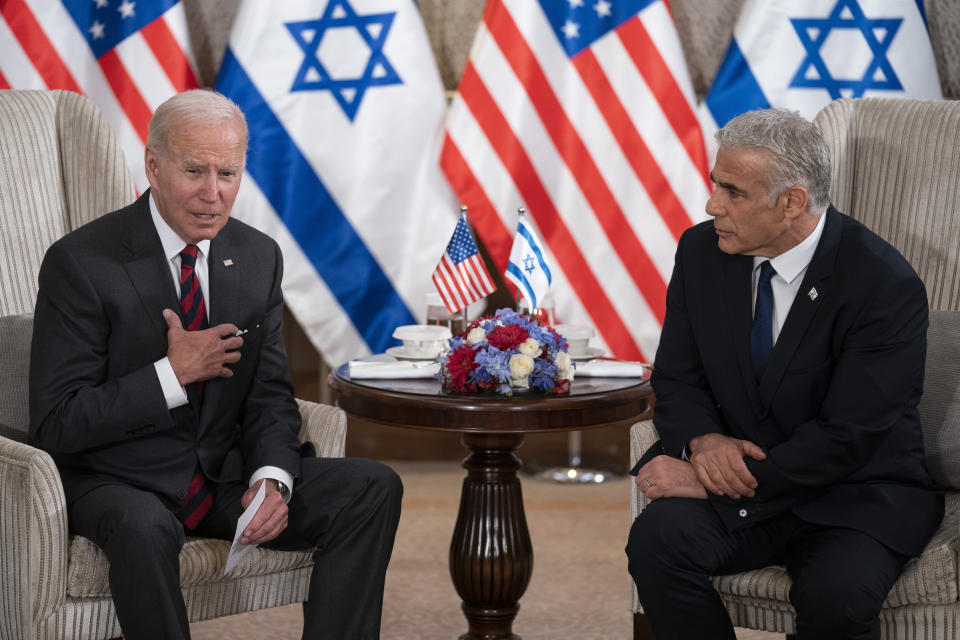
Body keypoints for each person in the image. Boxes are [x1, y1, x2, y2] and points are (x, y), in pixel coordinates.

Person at [29, 89, 402, 640]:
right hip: (118, 478)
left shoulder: (257, 256)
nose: (213, 194)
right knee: (142, 525)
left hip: (220, 475)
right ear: (154, 167)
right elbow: (58, 422)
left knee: (373, 487)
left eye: (228, 173)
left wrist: (273, 477)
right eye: (194, 171)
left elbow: (270, 396)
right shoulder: (81, 262)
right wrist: (170, 375)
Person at [626, 108, 943, 639]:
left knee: (836, 596)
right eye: (714, 184)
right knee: (658, 540)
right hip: (748, 489)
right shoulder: (701, 252)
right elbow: (677, 376)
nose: (712, 205)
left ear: (792, 201)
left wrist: (717, 484)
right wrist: (704, 443)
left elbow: (851, 435)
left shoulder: (882, 284)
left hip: (852, 495)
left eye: (734, 192)